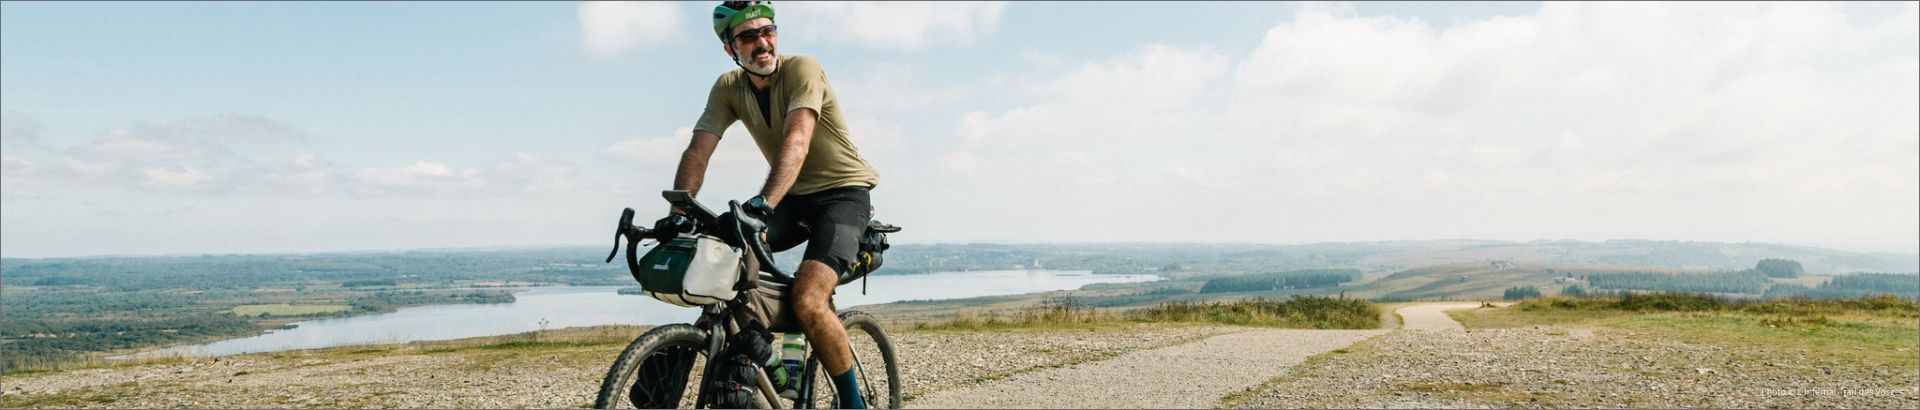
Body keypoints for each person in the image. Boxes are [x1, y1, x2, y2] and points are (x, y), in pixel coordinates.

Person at [664, 1, 880, 408]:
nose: (762, 42)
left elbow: (797, 141)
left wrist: (762, 206)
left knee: (808, 299)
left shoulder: (802, 69)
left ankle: (854, 403)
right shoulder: (728, 87)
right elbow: (698, 150)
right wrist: (679, 214)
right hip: (792, 199)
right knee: (723, 257)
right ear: (730, 48)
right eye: (748, 36)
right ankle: (768, 363)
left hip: (843, 194)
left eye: (768, 31)